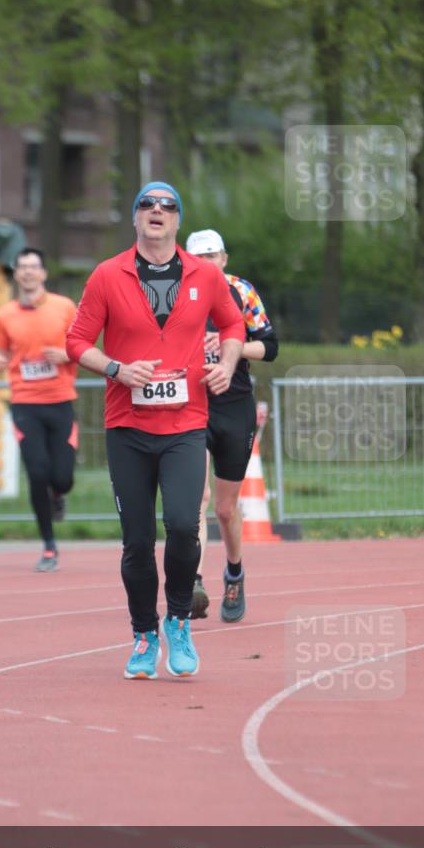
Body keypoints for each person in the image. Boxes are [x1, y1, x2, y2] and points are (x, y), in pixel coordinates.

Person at [66, 183, 245, 679]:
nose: (157, 212)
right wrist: (117, 368)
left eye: (167, 206)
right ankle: (144, 634)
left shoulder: (205, 274)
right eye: (147, 204)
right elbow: (77, 342)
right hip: (128, 427)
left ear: (178, 220)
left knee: (186, 526)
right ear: (135, 218)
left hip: (187, 425)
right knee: (137, 540)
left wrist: (226, 365)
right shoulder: (107, 275)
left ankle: (179, 622)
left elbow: (234, 327)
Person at [185, 229, 279, 623]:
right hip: (190, 402)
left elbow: (270, 347)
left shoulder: (241, 291)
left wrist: (231, 347)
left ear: (224, 258)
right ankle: (191, 582)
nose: (207, 263)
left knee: (225, 509)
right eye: (199, 257)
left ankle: (235, 572)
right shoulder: (174, 292)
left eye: (213, 256)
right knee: (196, 499)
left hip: (233, 405)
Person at [0, 247, 78, 572]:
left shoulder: (64, 307)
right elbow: (0, 353)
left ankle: (59, 495)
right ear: (16, 273)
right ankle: (49, 545)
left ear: (43, 273)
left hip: (61, 399)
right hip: (25, 402)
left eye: (33, 266)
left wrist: (67, 355)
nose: (27, 272)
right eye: (21, 267)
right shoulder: (5, 314)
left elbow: (83, 346)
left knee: (63, 478)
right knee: (37, 473)